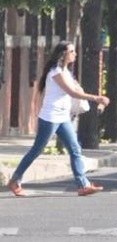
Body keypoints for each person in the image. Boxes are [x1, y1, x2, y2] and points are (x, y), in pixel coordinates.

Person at [6, 41, 110, 197]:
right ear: (63, 55)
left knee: (75, 149)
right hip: (50, 117)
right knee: (37, 150)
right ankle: (15, 179)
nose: (75, 53)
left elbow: (75, 90)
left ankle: (83, 185)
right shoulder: (55, 72)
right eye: (72, 51)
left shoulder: (65, 72)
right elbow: (72, 93)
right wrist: (97, 98)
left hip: (63, 117)